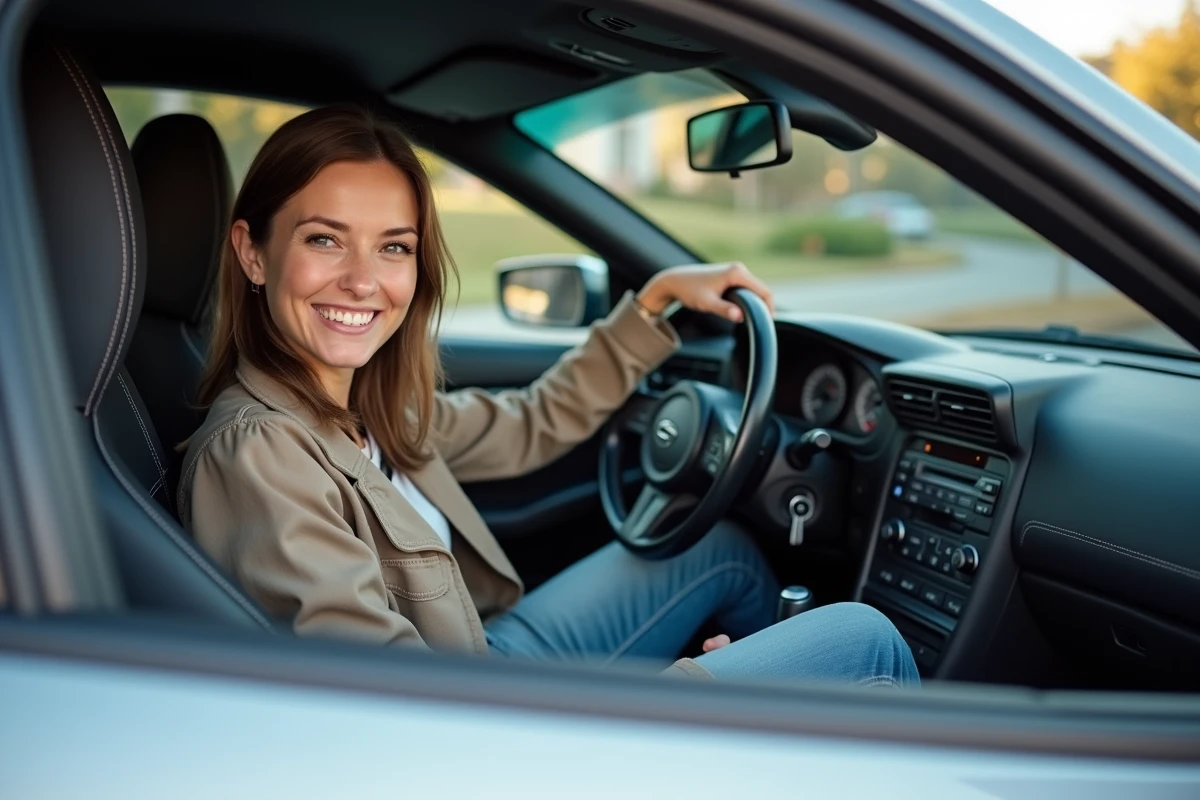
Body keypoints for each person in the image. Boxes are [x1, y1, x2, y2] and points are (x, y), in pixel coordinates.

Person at [178, 105, 918, 687]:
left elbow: (533, 422)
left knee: (718, 547)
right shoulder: (261, 452)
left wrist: (653, 302)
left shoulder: (366, 405)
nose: (364, 281)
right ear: (252, 251)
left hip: (492, 653)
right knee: (868, 642)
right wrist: (681, 687)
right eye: (324, 239)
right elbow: (400, 706)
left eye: (394, 246)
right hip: (484, 725)